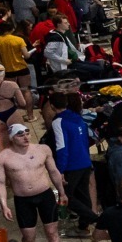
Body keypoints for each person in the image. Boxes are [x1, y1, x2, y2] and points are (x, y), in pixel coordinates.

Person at [0, 122, 68, 242]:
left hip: (45, 196)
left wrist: (62, 193)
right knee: (29, 236)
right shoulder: (2, 157)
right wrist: (4, 204)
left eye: (27, 132)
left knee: (52, 233)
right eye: (20, 134)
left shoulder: (43, 149)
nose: (26, 136)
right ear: (12, 138)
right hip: (23, 200)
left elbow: (53, 171)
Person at [48, 92, 97, 234]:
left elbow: (62, 147)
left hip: (71, 165)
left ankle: (95, 220)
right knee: (83, 195)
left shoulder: (58, 122)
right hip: (84, 162)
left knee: (67, 196)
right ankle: (83, 226)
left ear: (52, 106)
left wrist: (60, 170)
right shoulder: (77, 117)